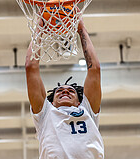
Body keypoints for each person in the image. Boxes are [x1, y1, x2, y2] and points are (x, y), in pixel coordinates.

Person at [25, 17, 104, 159]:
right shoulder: (45, 114)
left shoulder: (87, 109)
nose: (65, 91)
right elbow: (31, 67)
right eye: (60, 91)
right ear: (52, 102)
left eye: (70, 91)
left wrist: (81, 29)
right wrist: (39, 29)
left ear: (79, 102)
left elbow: (95, 69)